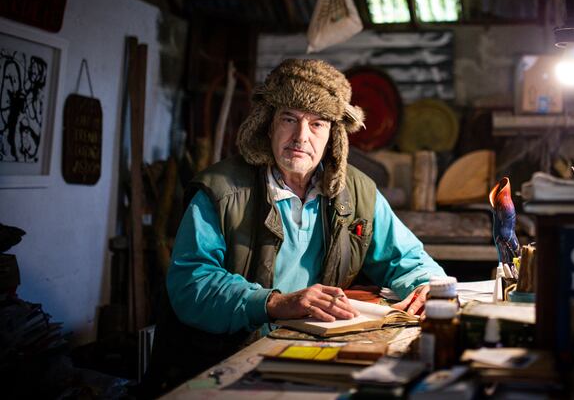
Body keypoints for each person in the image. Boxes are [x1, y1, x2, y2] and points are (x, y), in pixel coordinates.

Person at [145, 59, 445, 392]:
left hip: (306, 357)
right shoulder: (221, 191)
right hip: (220, 363)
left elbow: (407, 259)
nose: (301, 137)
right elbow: (191, 283)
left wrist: (427, 286)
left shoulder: (357, 192)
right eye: (290, 119)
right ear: (268, 124)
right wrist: (271, 303)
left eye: (317, 124)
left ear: (333, 135)